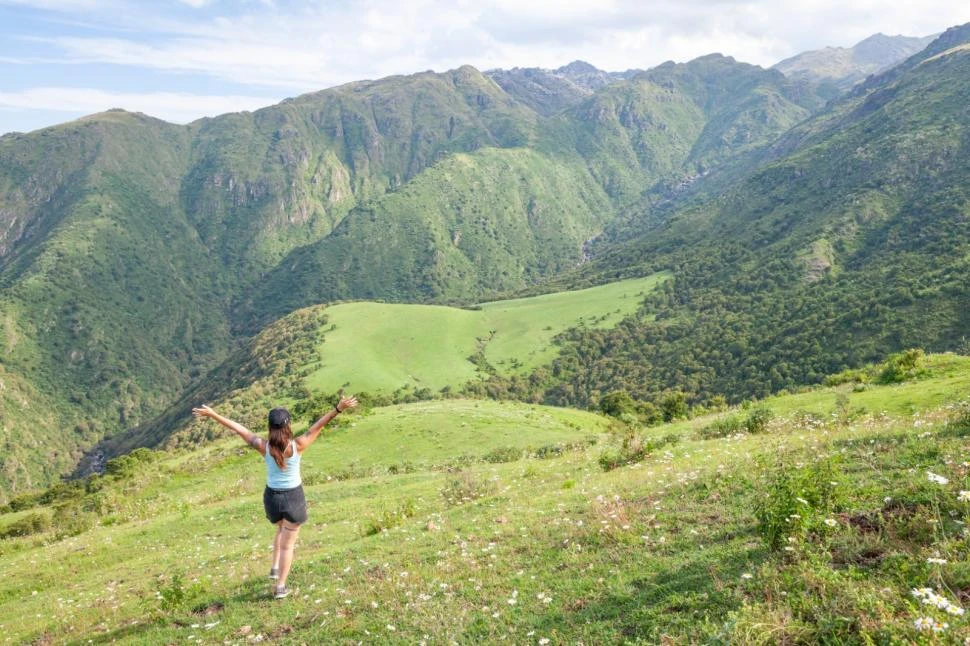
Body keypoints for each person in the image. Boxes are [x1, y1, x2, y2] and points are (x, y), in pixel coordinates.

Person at [192, 395, 358, 599]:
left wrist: (214, 414)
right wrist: (338, 409)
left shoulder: (263, 446)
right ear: (288, 426)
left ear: (269, 426)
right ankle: (280, 586)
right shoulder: (299, 445)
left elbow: (239, 429)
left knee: (281, 528)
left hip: (272, 498)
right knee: (288, 544)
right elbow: (317, 426)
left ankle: (274, 568)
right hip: (293, 498)